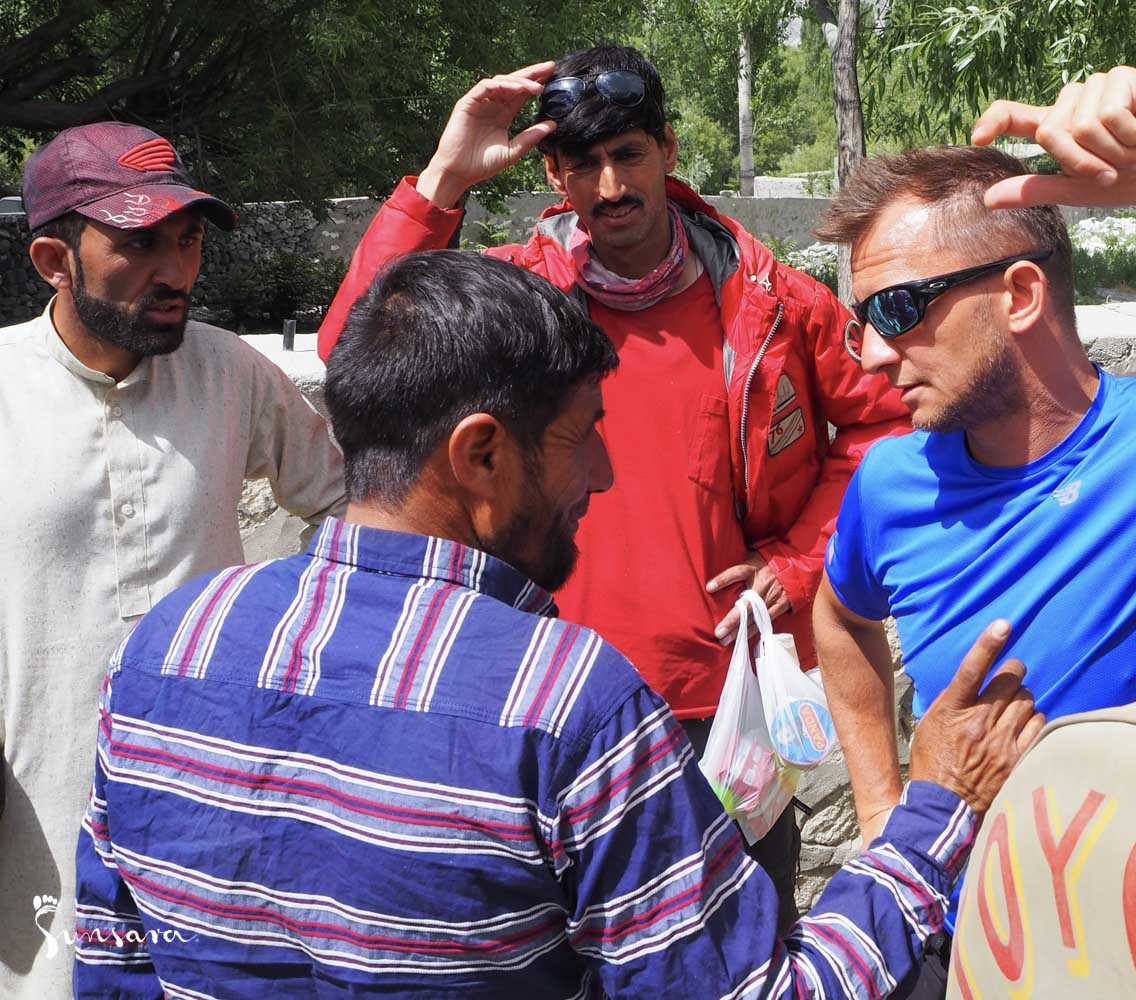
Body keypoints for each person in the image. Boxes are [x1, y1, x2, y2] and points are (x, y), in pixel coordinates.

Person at [73, 250, 1044, 997]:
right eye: (582, 436)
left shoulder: (167, 646)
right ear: (482, 455)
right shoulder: (563, 703)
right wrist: (934, 809)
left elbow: (110, 962)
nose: (603, 475)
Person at [315, 45, 908, 928]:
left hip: (723, 710)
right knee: (556, 958)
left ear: (668, 149)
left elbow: (885, 428)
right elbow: (356, 356)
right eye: (582, 164)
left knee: (743, 950)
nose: (611, 186)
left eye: (628, 154)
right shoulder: (511, 302)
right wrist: (444, 179)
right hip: (529, 699)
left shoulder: (774, 304)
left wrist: (796, 564)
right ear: (553, 174)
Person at [812, 66, 1136, 994]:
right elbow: (839, 617)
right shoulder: (890, 483)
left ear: (1019, 294)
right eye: (863, 321)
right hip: (968, 955)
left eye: (897, 310)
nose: (875, 354)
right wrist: (884, 810)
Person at [0, 122, 346, 996]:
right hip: (36, 804)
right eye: (140, 244)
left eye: (187, 240)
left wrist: (292, 630)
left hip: (215, 795)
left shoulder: (230, 372)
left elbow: (347, 504)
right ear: (54, 260)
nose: (177, 270)